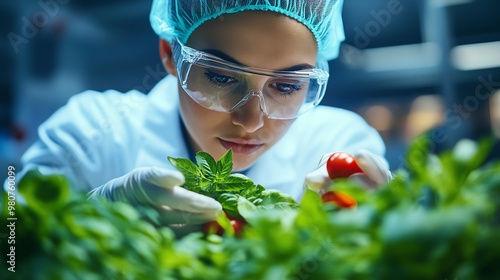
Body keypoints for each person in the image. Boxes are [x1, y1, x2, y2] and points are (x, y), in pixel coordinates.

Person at [17, 0, 391, 232]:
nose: (250, 121)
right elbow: (11, 254)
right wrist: (87, 219)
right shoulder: (90, 134)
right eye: (221, 77)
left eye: (287, 86)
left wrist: (383, 230)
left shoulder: (337, 145)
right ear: (168, 53)